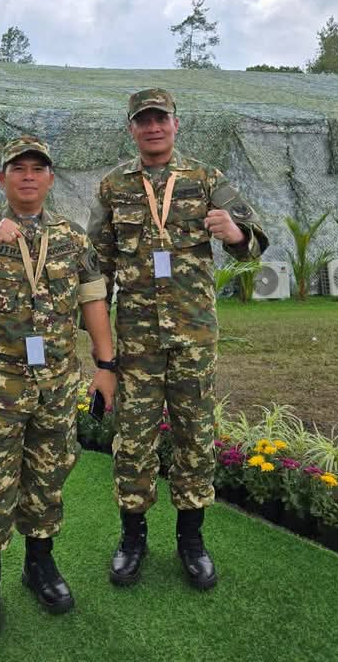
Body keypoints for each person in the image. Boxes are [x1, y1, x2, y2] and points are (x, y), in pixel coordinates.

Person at [0, 136, 116, 642]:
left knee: (48, 474)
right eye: (19, 168)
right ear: (2, 178)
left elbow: (94, 301)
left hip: (56, 383)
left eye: (38, 169)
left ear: (51, 179)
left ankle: (40, 566)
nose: (29, 176)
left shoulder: (73, 239)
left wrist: (106, 364)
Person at [87, 89, 268, 590]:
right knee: (133, 441)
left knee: (195, 439)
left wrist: (233, 233)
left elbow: (254, 245)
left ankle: (192, 541)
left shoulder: (207, 180)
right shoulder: (112, 187)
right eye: (143, 120)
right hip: (137, 344)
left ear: (176, 123)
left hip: (193, 339)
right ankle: (133, 539)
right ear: (131, 129)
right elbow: (94, 272)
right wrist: (102, 355)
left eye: (160, 119)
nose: (153, 128)